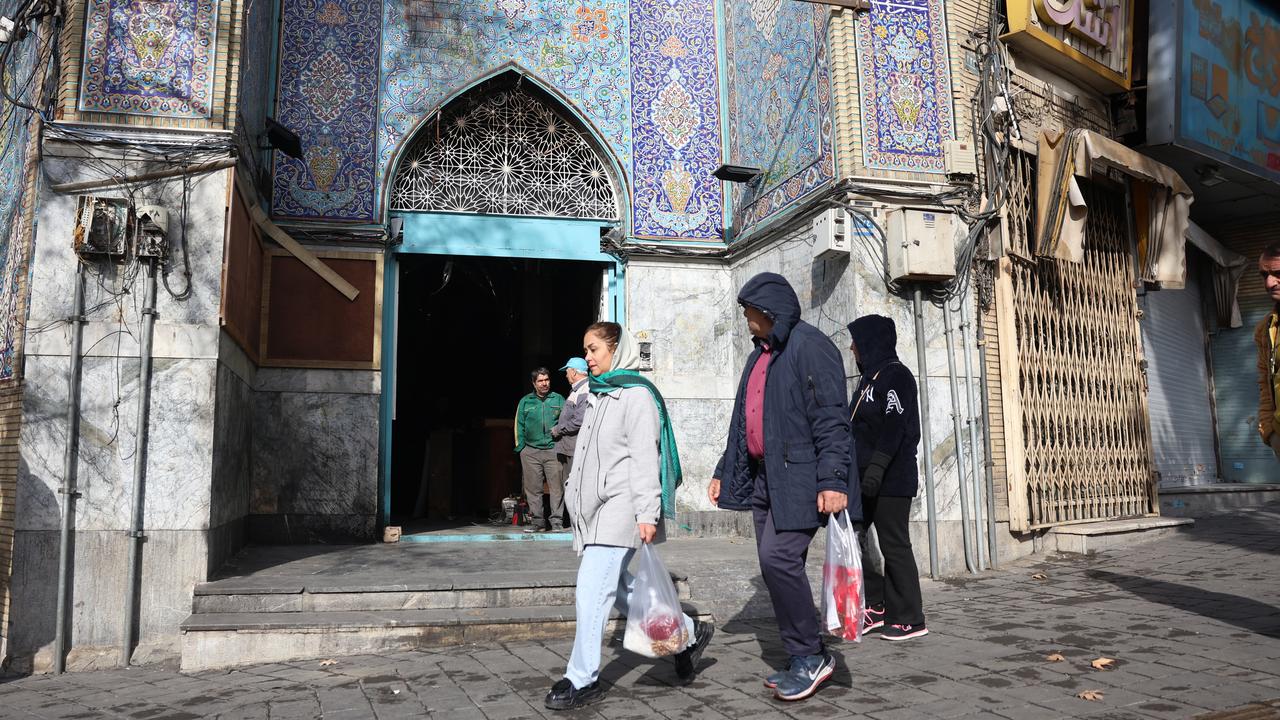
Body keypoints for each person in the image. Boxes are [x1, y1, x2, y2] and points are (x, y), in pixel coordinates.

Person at [545, 322, 713, 711]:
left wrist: (648, 513)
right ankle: (686, 634)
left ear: (616, 350)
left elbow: (644, 459)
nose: (587, 357)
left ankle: (582, 678)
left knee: (591, 589)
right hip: (595, 510)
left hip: (621, 508)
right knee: (620, 588)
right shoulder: (598, 393)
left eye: (593, 349)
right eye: (585, 350)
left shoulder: (636, 396)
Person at [708, 272, 857, 702]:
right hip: (764, 478)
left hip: (801, 478)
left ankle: (811, 655)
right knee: (774, 565)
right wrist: (723, 469)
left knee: (778, 559)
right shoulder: (759, 356)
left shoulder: (810, 347)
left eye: (748, 311)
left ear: (768, 308)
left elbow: (832, 418)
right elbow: (744, 421)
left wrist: (832, 479)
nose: (746, 319)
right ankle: (799, 653)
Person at [847, 314, 927, 641]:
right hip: (864, 479)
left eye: (856, 341)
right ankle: (877, 605)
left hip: (891, 479)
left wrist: (877, 468)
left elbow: (895, 427)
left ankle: (910, 617)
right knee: (854, 536)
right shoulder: (868, 380)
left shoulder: (896, 376)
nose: (852, 348)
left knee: (894, 544)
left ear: (871, 342)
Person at [515, 368, 565, 532]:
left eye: (547, 380)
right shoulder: (525, 401)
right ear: (534, 383)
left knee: (557, 488)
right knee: (533, 489)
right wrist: (521, 448)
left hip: (553, 449)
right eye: (540, 381)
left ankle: (557, 522)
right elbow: (518, 425)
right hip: (531, 451)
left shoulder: (558, 399)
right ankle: (538, 522)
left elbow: (566, 421)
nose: (544, 384)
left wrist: (561, 445)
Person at [551, 357, 591, 496]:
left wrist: (558, 429)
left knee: (574, 488)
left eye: (567, 372)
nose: (566, 375)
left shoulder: (585, 390)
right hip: (569, 448)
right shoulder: (576, 390)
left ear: (574, 372)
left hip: (575, 449)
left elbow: (579, 421)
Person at [1255, 242, 1280, 460]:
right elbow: (1265, 383)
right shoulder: (1265, 328)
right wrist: (1270, 433)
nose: (1269, 283)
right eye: (1265, 275)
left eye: (1277, 273)